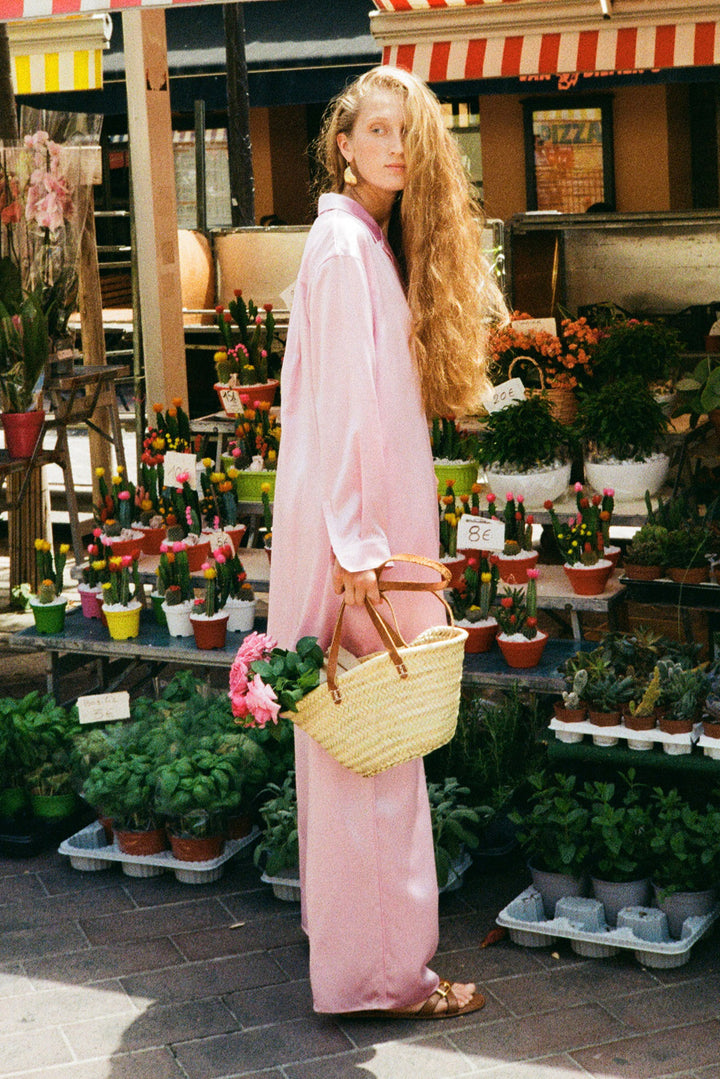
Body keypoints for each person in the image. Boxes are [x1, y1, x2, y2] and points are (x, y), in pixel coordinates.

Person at [266, 65, 502, 1019]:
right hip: (360, 549)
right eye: (375, 129)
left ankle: (361, 963)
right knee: (376, 759)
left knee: (361, 752)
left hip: (364, 538)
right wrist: (359, 549)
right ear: (342, 144)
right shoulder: (342, 248)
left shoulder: (359, 243)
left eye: (407, 131)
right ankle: (385, 979)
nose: (395, 146)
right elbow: (345, 411)